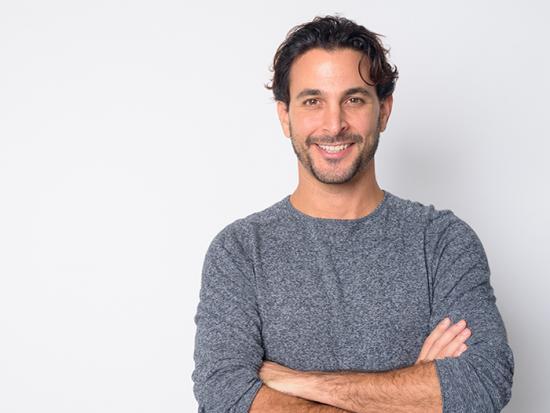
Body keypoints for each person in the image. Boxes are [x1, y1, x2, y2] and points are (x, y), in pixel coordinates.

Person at [192, 15, 514, 412]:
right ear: (284, 116)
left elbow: (483, 384)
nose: (334, 124)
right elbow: (223, 396)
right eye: (313, 101)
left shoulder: (442, 241)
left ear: (383, 110)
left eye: (354, 99)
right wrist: (413, 391)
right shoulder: (240, 251)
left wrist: (299, 382)